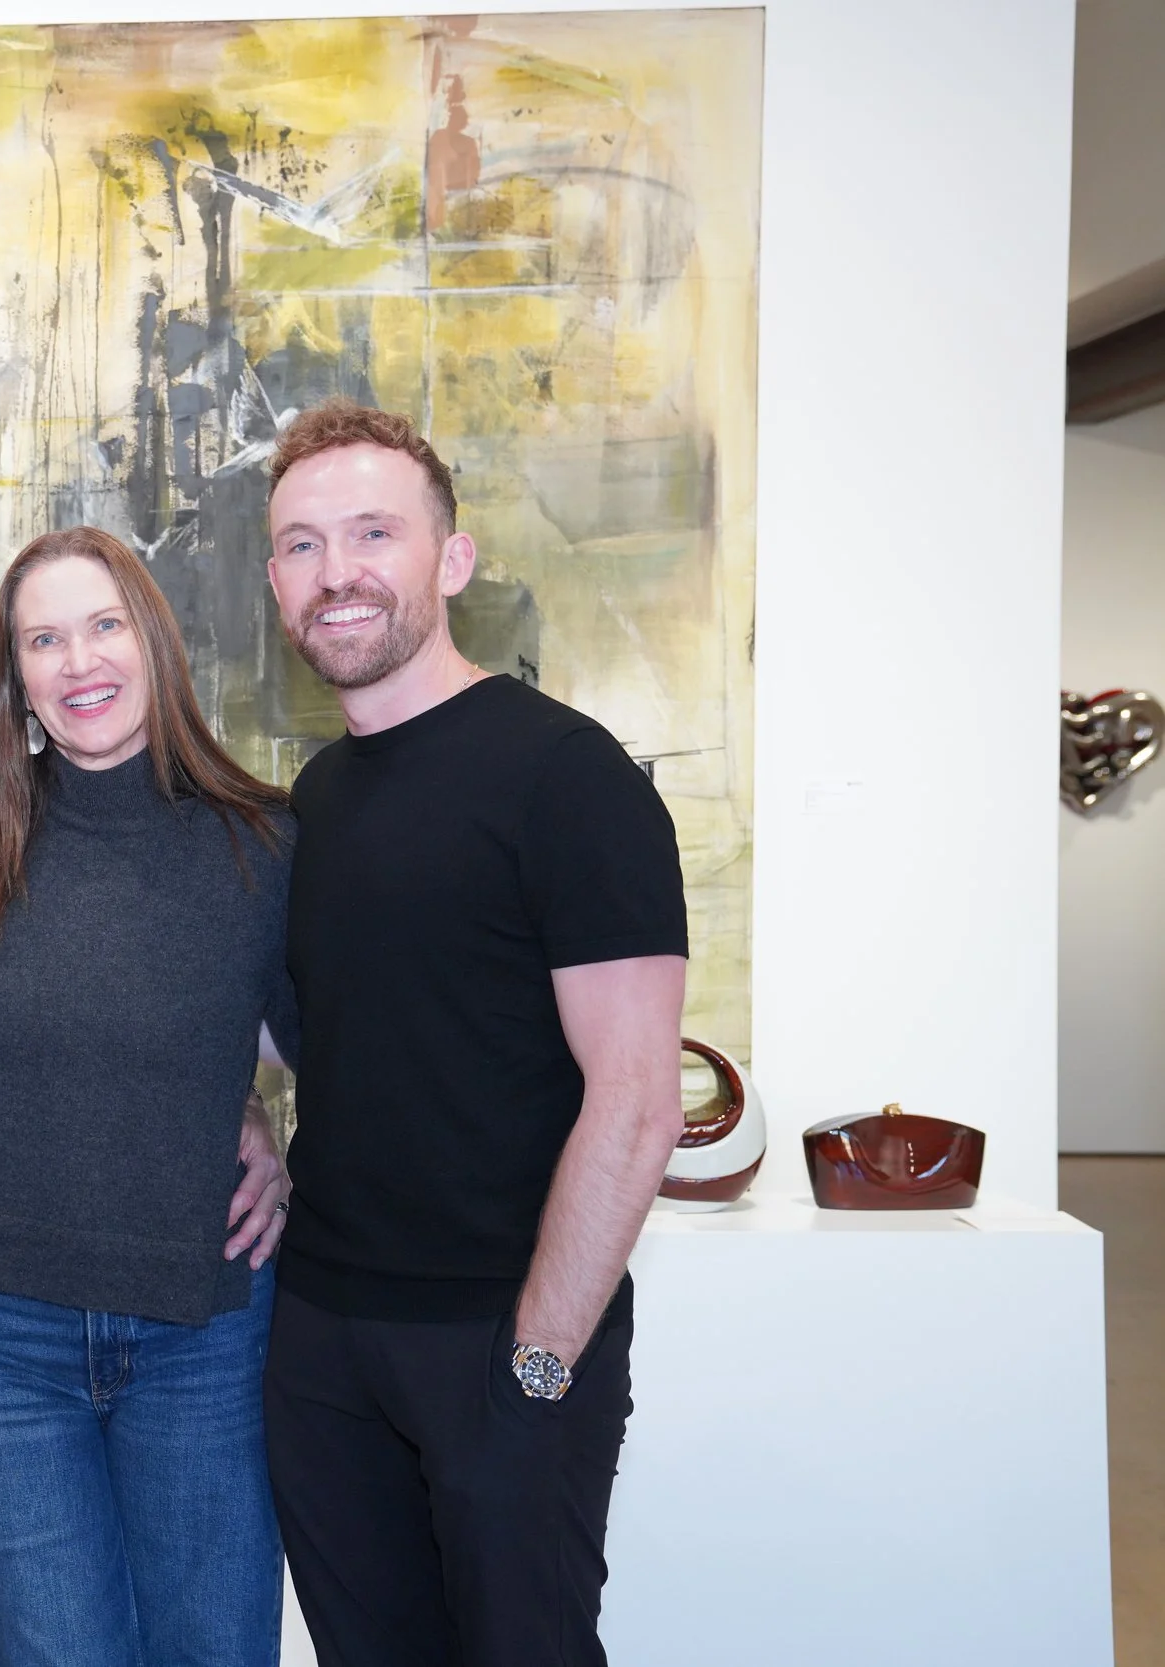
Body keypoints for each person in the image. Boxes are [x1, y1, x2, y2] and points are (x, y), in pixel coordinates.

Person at [257, 399, 688, 1666]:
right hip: (326, 1340)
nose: (336, 572)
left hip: (503, 1339)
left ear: (450, 558)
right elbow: (322, 1033)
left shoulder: (568, 776)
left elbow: (638, 1098)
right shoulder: (318, 796)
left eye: (372, 532)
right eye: (299, 545)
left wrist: (539, 1367)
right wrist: (237, 1113)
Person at [0, 526, 298, 1667]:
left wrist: (263, 1123)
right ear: (14, 673)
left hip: (203, 1333)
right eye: (43, 638)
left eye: (102, 625)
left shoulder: (264, 841)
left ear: (153, 641)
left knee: (213, 1647)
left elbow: (351, 1056)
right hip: (7, 1338)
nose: (78, 661)